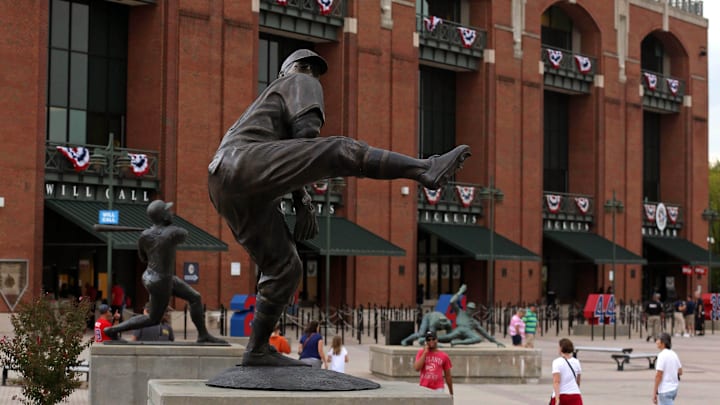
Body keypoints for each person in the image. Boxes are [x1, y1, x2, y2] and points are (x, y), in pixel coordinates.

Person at [207, 48, 471, 367]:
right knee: (340, 149)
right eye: (310, 69)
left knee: (285, 268)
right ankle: (424, 168)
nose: (313, 76)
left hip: (225, 184)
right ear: (295, 68)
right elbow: (307, 138)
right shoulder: (298, 79)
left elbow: (296, 152)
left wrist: (299, 197)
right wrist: (302, 198)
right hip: (242, 165)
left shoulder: (265, 101)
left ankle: (257, 349)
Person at [102, 200, 225, 344]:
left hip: (152, 277)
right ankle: (112, 330)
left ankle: (203, 335)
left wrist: (153, 232)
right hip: (162, 281)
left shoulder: (144, 236)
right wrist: (163, 229)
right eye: (168, 211)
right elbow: (185, 234)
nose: (171, 212)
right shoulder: (173, 232)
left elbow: (142, 258)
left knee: (195, 297)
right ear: (163, 216)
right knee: (153, 319)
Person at [436, 284, 504, 347]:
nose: (470, 310)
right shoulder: (460, 312)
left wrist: (495, 342)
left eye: (471, 309)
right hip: (458, 330)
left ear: (474, 311)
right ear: (466, 308)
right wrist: (460, 291)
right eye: (469, 308)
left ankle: (457, 342)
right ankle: (429, 339)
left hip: (468, 332)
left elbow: (484, 333)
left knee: (478, 338)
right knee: (447, 338)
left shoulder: (473, 321)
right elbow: (452, 302)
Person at [414, 330, 453, 396]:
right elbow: (417, 368)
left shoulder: (444, 356)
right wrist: (425, 353)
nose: (431, 341)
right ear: (426, 342)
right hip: (424, 387)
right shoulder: (421, 353)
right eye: (428, 340)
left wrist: (451, 392)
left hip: (438, 388)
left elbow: (448, 375)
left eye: (433, 339)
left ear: (437, 340)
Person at [551, 338, 583, 405]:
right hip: (575, 395)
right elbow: (578, 380)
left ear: (561, 348)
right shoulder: (576, 362)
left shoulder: (557, 362)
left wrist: (557, 399)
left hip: (561, 395)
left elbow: (556, 382)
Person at [653, 332, 682, 405]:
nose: (656, 342)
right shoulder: (673, 354)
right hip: (673, 389)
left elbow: (659, 375)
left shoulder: (662, 355)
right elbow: (680, 371)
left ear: (663, 342)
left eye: (658, 340)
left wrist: (654, 392)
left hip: (665, 390)